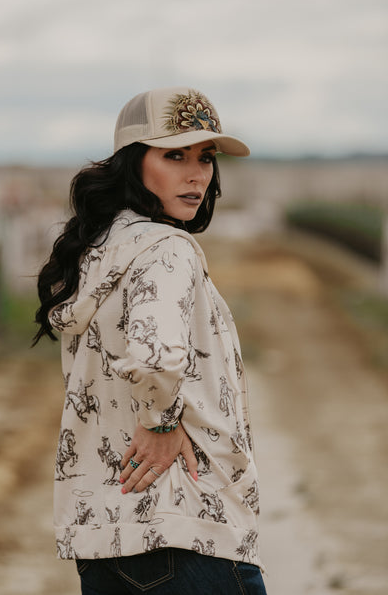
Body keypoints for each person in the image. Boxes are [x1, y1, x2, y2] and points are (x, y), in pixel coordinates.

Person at [34, 86, 267, 594]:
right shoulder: (167, 250)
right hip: (187, 528)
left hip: (105, 536)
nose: (196, 175)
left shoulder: (100, 249)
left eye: (205, 157)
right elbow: (155, 356)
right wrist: (160, 422)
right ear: (132, 162)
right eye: (174, 155)